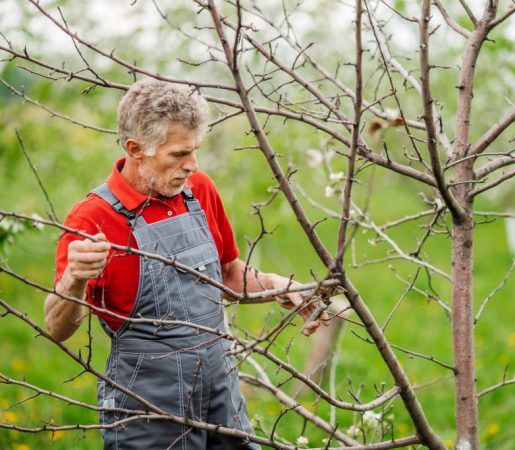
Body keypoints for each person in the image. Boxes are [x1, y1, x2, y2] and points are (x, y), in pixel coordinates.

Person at [44, 78, 326, 450]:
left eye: (195, 151)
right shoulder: (91, 219)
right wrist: (76, 279)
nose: (192, 165)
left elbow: (227, 274)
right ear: (136, 149)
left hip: (221, 388)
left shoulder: (198, 189)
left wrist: (281, 286)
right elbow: (56, 327)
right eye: (178, 155)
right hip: (149, 408)